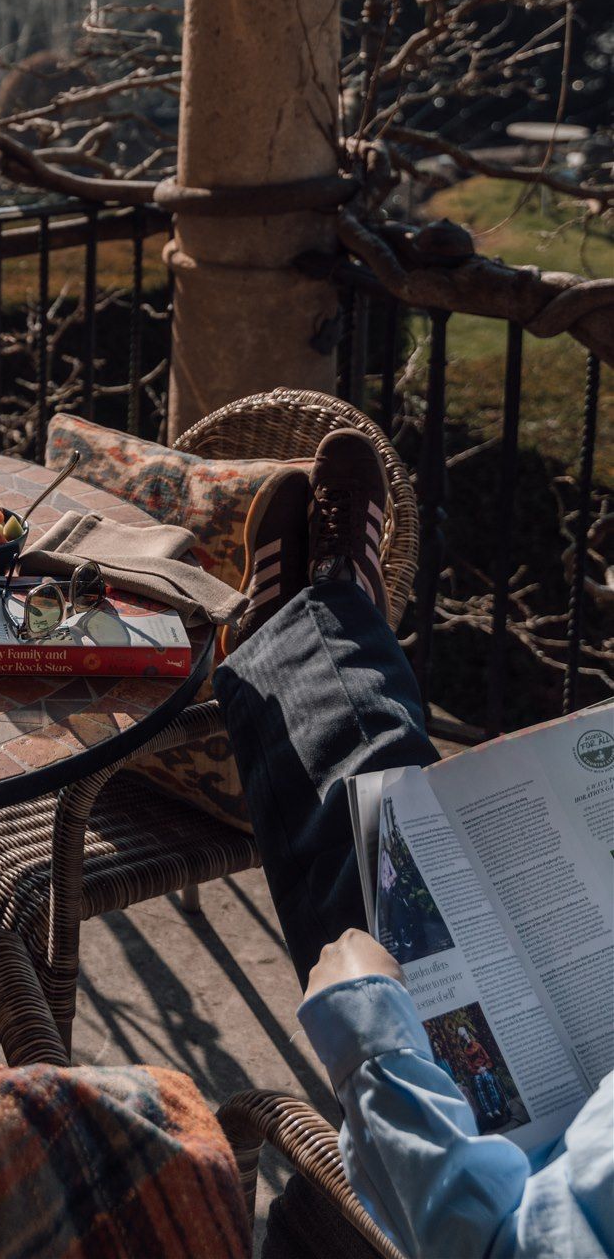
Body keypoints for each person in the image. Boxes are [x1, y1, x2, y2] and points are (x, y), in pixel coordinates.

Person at [211, 430, 613, 1259]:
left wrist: (369, 1042)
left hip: (505, 1178)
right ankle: (308, 621)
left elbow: (491, 1246)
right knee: (404, 830)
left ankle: (303, 619)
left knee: (377, 821)